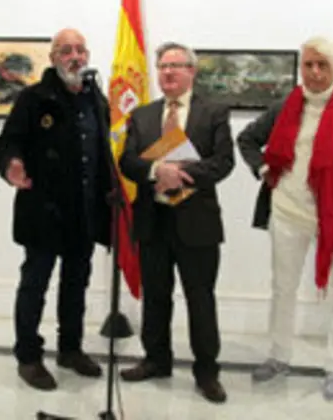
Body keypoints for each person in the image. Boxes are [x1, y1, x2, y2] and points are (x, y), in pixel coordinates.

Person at [236, 36, 333, 400]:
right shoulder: (285, 105)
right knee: (283, 287)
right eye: (308, 65)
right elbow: (248, 139)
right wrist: (263, 168)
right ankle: (279, 356)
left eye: (323, 65)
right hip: (287, 211)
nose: (314, 72)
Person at [0, 28, 113, 391]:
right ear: (53, 58)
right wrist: (12, 164)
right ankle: (28, 356)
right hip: (43, 212)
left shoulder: (96, 99)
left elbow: (101, 152)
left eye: (80, 50)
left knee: (76, 285)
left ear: (87, 55)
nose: (74, 57)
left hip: (83, 213)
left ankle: (70, 349)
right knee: (35, 285)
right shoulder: (33, 98)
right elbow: (9, 141)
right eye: (65, 51)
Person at [117, 41, 234, 403]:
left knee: (200, 299)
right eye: (162, 66)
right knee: (155, 297)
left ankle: (207, 371)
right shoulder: (142, 115)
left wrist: (180, 174)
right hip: (153, 222)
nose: (167, 72)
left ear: (191, 71)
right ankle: (156, 360)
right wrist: (157, 170)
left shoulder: (213, 112)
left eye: (175, 66)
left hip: (197, 224)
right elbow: (127, 162)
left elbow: (223, 162)